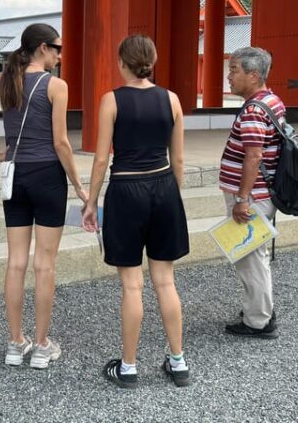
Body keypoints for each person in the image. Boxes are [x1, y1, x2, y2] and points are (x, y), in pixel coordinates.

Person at [0, 23, 88, 369]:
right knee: (44, 264)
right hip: (47, 175)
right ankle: (42, 346)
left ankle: (16, 343)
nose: (60, 55)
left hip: (13, 174)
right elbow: (61, 143)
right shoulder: (56, 85)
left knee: (16, 261)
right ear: (43, 48)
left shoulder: (4, 80)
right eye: (58, 48)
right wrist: (79, 185)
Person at [82, 34, 190, 389]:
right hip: (163, 186)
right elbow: (178, 159)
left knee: (132, 285)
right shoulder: (171, 99)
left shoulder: (111, 100)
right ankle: (178, 362)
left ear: (121, 63)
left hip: (126, 189)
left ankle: (128, 367)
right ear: (152, 62)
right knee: (166, 281)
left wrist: (91, 202)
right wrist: (173, 195)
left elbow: (101, 159)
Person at [220, 46, 284, 339]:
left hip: (252, 195)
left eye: (234, 71)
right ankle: (261, 308)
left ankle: (258, 321)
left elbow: (254, 156)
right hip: (263, 192)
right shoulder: (271, 101)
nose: (229, 77)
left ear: (254, 75)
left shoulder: (254, 110)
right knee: (256, 255)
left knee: (249, 257)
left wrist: (241, 199)